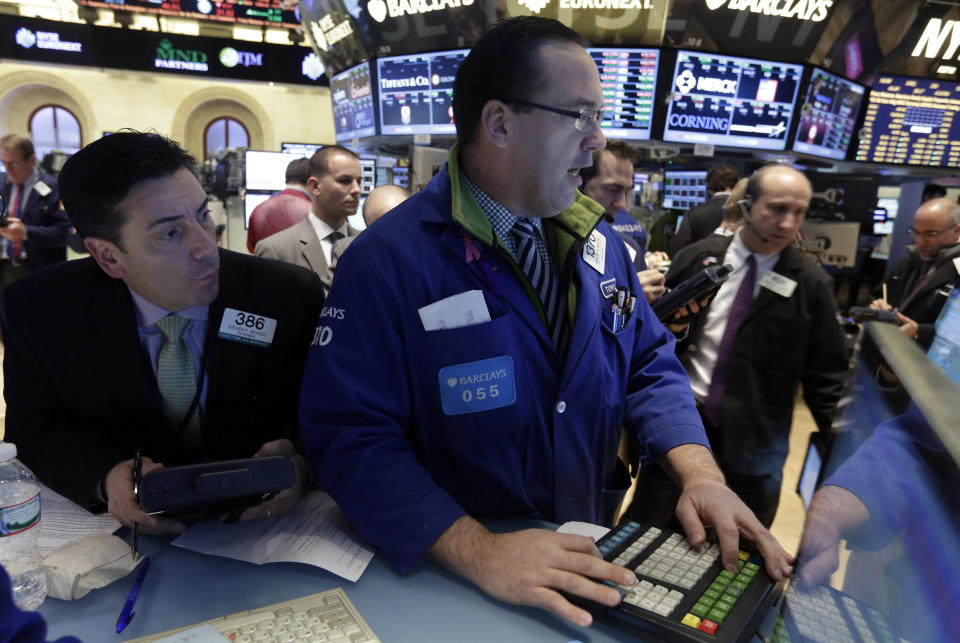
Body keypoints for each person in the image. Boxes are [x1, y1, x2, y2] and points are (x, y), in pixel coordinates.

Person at [299, 17, 791, 628]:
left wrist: (700, 473)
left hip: (582, 558)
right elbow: (351, 437)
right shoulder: (387, 261)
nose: (598, 141)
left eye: (599, 118)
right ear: (500, 122)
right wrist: (479, 551)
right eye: (580, 116)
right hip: (454, 580)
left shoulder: (599, 242)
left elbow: (648, 363)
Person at [1, 132, 323, 534]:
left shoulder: (286, 295)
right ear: (108, 255)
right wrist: (105, 477)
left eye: (203, 214)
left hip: (265, 530)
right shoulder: (40, 310)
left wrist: (303, 465)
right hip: (120, 542)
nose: (207, 247)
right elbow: (35, 432)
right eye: (170, 233)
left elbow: (333, 414)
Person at [623, 164, 848, 528]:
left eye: (799, 212)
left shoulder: (811, 283)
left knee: (737, 555)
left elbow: (828, 380)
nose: (788, 223)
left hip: (755, 448)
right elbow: (656, 336)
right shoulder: (700, 258)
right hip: (682, 428)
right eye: (776, 209)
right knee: (647, 531)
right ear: (745, 205)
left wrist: (846, 465)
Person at [255, 146, 362, 295]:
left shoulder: (367, 243)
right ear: (315, 186)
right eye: (345, 181)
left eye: (359, 181)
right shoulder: (276, 250)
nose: (357, 190)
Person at [868, 197, 960, 347]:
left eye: (931, 234)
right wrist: (876, 306)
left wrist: (919, 332)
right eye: (915, 233)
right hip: (889, 355)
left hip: (929, 364)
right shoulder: (910, 262)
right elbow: (878, 295)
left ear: (957, 231)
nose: (920, 242)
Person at [580, 142, 665, 302]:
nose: (621, 204)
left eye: (627, 191)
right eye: (613, 189)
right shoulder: (549, 245)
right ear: (579, 185)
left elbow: (643, 325)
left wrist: (674, 325)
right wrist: (626, 300)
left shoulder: (629, 249)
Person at [0, 134, 70, 297]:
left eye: (14, 164)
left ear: (31, 160)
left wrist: (25, 232)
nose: (8, 170)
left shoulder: (53, 187)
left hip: (38, 266)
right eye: (4, 163)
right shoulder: (2, 182)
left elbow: (63, 233)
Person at [245, 158, 313, 253]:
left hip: (265, 267)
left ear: (286, 180)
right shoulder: (314, 211)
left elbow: (252, 248)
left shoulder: (258, 209)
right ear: (312, 182)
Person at [670, 164, 740, 255]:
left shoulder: (694, 213)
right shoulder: (743, 211)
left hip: (700, 266)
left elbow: (679, 249)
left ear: (709, 185)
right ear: (735, 184)